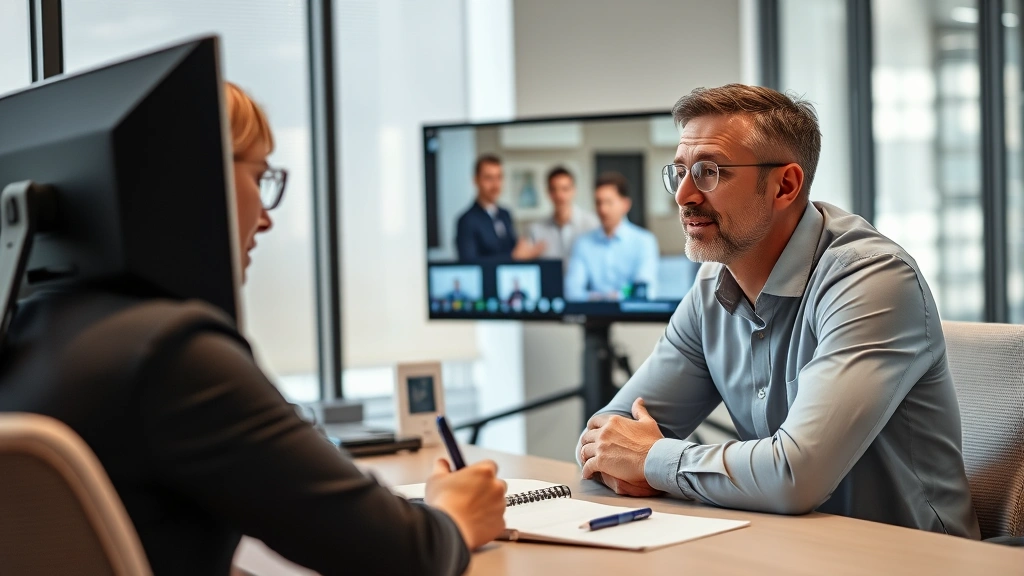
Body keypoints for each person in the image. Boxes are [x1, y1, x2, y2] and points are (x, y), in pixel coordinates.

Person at [0, 82, 508, 575]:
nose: (264, 219)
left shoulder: (31, 330)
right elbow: (403, 554)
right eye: (260, 177)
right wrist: (452, 516)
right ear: (204, 180)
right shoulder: (173, 353)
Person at [576, 84, 980, 539]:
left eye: (709, 172)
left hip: (911, 559)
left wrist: (654, 460)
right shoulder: (712, 284)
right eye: (680, 172)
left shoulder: (873, 279)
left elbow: (794, 476)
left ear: (785, 185)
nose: (683, 195)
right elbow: (607, 436)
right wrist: (626, 457)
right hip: (788, 546)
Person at [563, 173, 659, 301]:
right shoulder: (583, 243)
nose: (603, 209)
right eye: (598, 203)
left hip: (632, 318)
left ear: (625, 204)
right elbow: (572, 292)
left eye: (609, 202)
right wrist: (609, 299)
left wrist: (602, 298)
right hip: (593, 316)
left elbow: (644, 290)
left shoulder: (644, 241)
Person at [455, 155, 545, 261]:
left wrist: (526, 249)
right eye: (489, 178)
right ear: (476, 180)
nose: (495, 185)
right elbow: (469, 263)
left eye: (499, 177)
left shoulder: (505, 214)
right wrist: (513, 257)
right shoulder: (467, 220)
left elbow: (513, 249)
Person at [528, 166, 599, 262]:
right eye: (554, 190)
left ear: (574, 190)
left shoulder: (592, 224)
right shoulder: (536, 230)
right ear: (548, 192)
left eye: (565, 189)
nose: (559, 195)